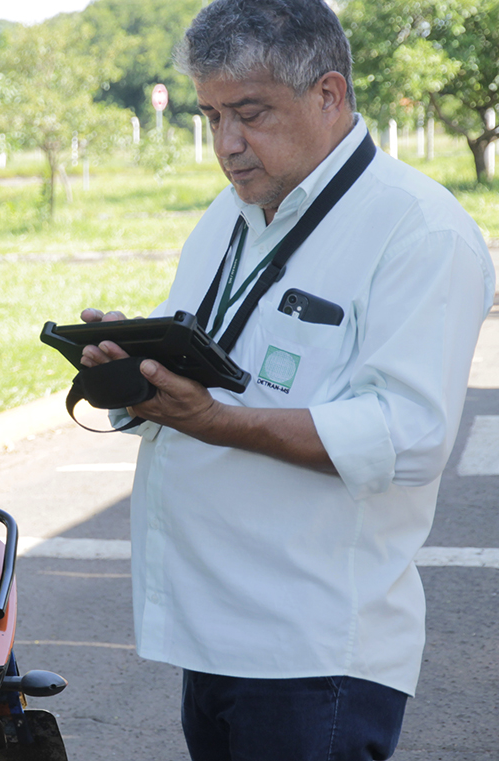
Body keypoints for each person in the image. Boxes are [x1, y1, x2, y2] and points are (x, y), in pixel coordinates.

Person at [79, 1, 494, 759]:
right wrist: (136, 375)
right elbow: (204, 367)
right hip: (211, 636)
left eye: (250, 114)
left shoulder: (419, 230)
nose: (227, 146)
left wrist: (215, 421)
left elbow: (407, 436)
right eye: (211, 117)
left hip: (314, 653)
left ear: (328, 94)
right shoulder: (230, 214)